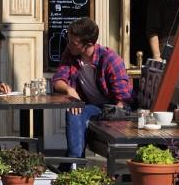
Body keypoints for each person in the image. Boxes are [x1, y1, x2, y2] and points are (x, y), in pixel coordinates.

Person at [51, 17, 132, 159]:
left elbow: (123, 100)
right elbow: (58, 80)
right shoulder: (71, 54)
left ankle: (72, 164)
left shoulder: (110, 59)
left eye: (73, 42)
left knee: (79, 113)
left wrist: (110, 128)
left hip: (109, 108)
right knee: (74, 110)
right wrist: (70, 90)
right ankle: (75, 163)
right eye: (68, 40)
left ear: (89, 44)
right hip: (90, 106)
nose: (68, 44)